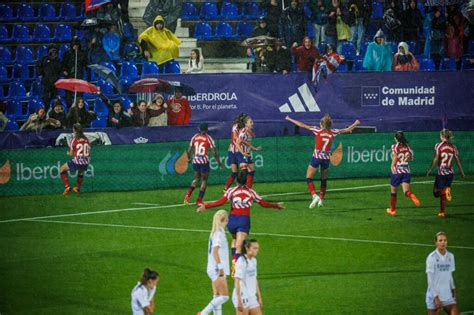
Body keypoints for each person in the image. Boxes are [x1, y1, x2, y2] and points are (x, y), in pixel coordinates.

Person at [197, 171, 284, 278]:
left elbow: (221, 202)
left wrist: (206, 206)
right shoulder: (251, 192)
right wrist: (276, 205)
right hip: (243, 220)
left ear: (236, 180)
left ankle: (234, 263)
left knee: (234, 241)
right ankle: (236, 269)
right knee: (239, 245)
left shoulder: (231, 191)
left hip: (232, 220)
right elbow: (264, 204)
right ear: (246, 180)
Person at [285, 115, 360, 208]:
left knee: (308, 177)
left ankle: (314, 195)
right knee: (323, 179)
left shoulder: (317, 130)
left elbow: (302, 125)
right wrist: (355, 123)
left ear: (321, 124)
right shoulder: (333, 132)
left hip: (316, 158)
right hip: (326, 159)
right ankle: (321, 200)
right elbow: (347, 130)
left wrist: (289, 119)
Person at [197, 210, 230, 315]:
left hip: (213, 268)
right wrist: (220, 268)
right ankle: (203, 313)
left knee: (217, 296)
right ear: (226, 220)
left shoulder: (216, 233)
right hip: (217, 269)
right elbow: (215, 250)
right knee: (224, 296)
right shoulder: (218, 234)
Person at [425, 129, 465, 217]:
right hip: (450, 173)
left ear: (442, 136)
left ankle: (442, 209)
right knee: (442, 193)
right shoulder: (453, 147)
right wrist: (462, 172)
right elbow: (457, 161)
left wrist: (429, 170)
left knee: (436, 193)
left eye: (440, 135)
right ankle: (442, 211)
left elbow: (436, 159)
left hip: (441, 173)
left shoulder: (438, 146)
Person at [184, 123, 223, 205]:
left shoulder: (195, 137)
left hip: (195, 160)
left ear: (199, 129)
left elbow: (189, 149)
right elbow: (214, 152)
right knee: (204, 180)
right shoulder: (209, 138)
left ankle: (187, 197)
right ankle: (199, 200)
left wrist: (188, 158)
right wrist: (219, 162)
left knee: (196, 179)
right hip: (204, 161)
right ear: (207, 129)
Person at [386, 131, 420, 216]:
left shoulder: (394, 146)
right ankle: (411, 195)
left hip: (397, 171)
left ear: (396, 139)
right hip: (406, 171)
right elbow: (411, 158)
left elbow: (395, 157)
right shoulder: (407, 147)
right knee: (406, 191)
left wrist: (392, 166)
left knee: (393, 192)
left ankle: (392, 210)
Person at [425, 232, 459, 315]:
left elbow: (450, 275)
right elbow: (430, 279)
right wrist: (436, 297)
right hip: (434, 296)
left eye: (445, 240)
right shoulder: (431, 257)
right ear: (436, 243)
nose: (443, 242)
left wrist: (453, 288)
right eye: (440, 240)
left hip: (447, 295)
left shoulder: (451, 256)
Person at [232, 239, 263, 315]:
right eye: (254, 248)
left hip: (252, 297)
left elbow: (254, 279)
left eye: (257, 248)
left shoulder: (254, 261)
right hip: (242, 297)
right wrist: (239, 300)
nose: (257, 250)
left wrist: (259, 297)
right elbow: (237, 282)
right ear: (247, 248)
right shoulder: (241, 261)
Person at [60, 123, 90, 195]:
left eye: (73, 129)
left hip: (78, 161)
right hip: (86, 161)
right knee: (80, 172)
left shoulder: (74, 140)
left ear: (74, 130)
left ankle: (67, 186)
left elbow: (71, 154)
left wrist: (68, 153)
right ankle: (77, 188)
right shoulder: (87, 139)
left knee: (62, 169)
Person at [224, 113, 250, 192]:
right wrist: (243, 152)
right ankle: (226, 189)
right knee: (235, 172)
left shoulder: (244, 128)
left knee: (244, 169)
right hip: (234, 151)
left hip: (238, 150)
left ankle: (242, 188)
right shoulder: (235, 127)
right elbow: (236, 139)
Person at [235, 116, 261, 188]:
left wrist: (255, 148)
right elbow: (237, 143)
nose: (252, 123)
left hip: (247, 153)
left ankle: (248, 189)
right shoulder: (243, 133)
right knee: (244, 171)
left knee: (252, 170)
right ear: (246, 124)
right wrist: (242, 152)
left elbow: (248, 142)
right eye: (250, 122)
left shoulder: (247, 131)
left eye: (252, 122)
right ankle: (239, 187)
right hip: (242, 153)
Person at [62, 36, 87, 106]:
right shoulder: (67, 53)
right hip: (69, 76)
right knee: (68, 94)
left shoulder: (82, 54)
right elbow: (63, 64)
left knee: (79, 94)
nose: (75, 46)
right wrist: (64, 70)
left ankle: (78, 107)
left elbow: (86, 65)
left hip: (78, 75)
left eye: (76, 45)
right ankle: (70, 107)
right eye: (74, 45)